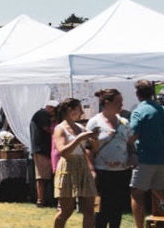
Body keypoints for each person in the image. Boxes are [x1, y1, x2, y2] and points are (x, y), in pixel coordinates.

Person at [87, 89, 133, 228]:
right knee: (103, 209)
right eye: (118, 102)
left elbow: (130, 144)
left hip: (122, 171)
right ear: (107, 103)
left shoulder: (124, 122)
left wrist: (133, 156)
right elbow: (88, 148)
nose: (121, 105)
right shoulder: (94, 122)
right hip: (103, 171)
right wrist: (91, 169)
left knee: (117, 209)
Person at [53, 98, 98, 228]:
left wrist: (94, 139)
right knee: (66, 210)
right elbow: (63, 151)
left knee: (89, 210)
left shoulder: (80, 127)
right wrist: (79, 138)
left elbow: (93, 149)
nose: (82, 112)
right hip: (68, 167)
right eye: (80, 108)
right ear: (70, 110)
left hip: (83, 166)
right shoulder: (60, 128)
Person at [129, 80, 164, 228]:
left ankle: (139, 226)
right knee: (159, 190)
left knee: (137, 194)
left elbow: (132, 136)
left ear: (137, 94)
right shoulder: (161, 109)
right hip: (161, 157)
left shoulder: (139, 111)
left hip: (144, 158)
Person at [33, 99, 60, 207]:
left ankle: (44, 199)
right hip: (41, 149)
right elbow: (47, 129)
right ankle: (41, 200)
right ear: (50, 108)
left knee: (45, 176)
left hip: (45, 149)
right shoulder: (42, 114)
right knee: (42, 177)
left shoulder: (41, 114)